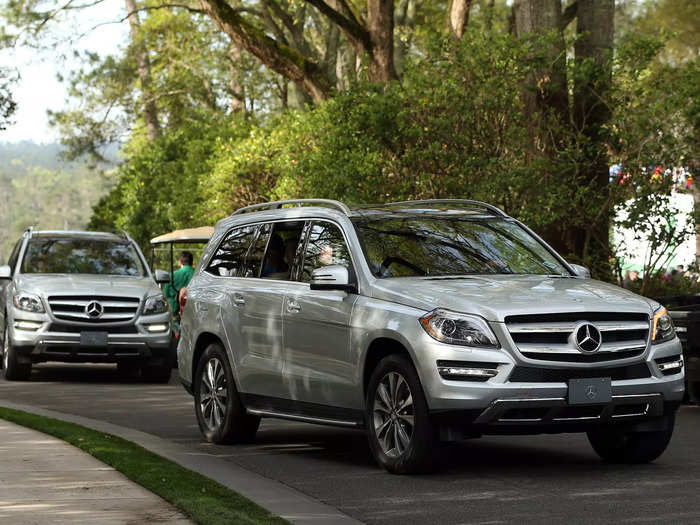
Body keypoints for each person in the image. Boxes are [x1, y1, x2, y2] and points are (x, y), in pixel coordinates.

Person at [164, 251, 194, 316]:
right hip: (192, 309)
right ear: (192, 262)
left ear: (179, 262)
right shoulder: (197, 275)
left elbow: (165, 295)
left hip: (174, 309)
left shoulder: (171, 275)